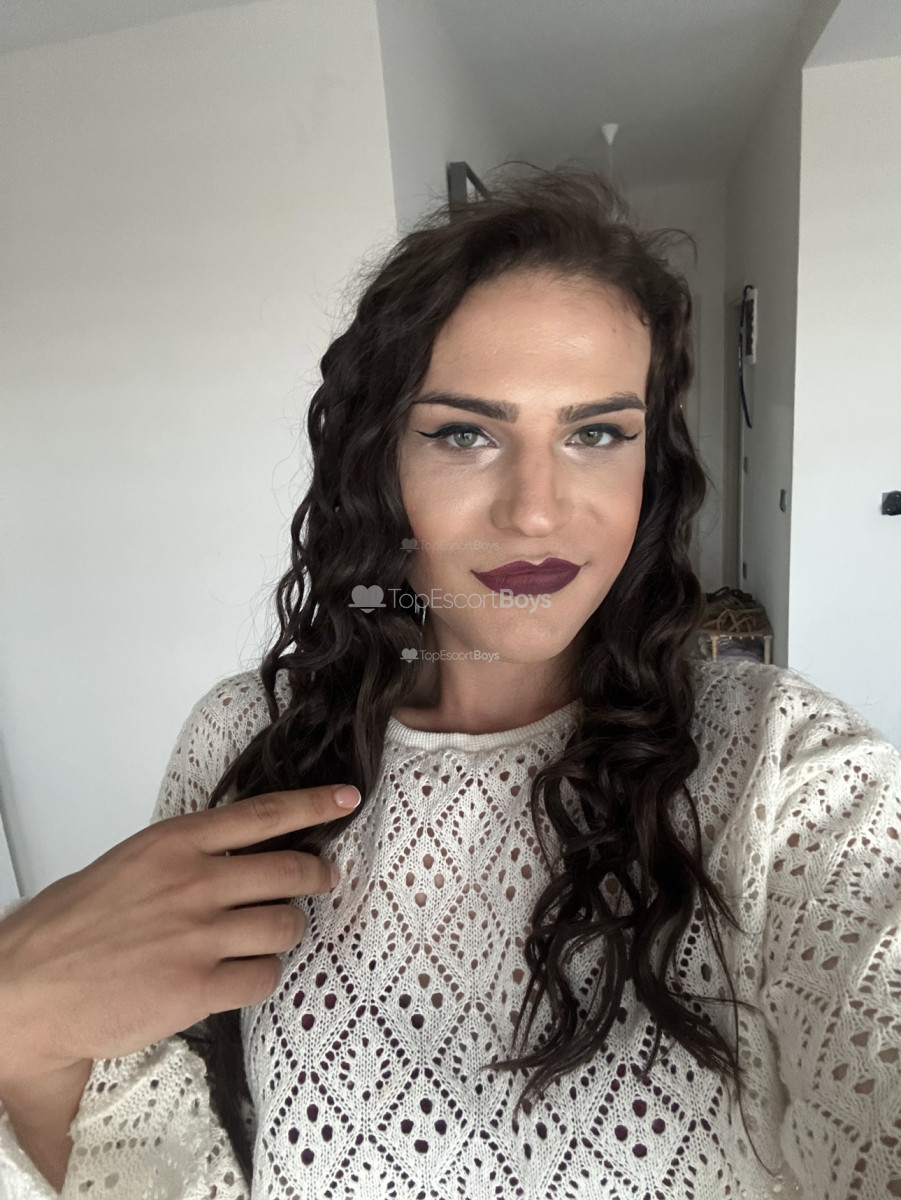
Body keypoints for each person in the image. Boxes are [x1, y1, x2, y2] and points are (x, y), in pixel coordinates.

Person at [1, 168, 899, 1200]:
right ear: (378, 460)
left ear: (650, 466)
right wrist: (19, 1015)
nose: (535, 511)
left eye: (597, 433)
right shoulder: (244, 739)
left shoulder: (785, 771)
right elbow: (168, 1151)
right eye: (465, 433)